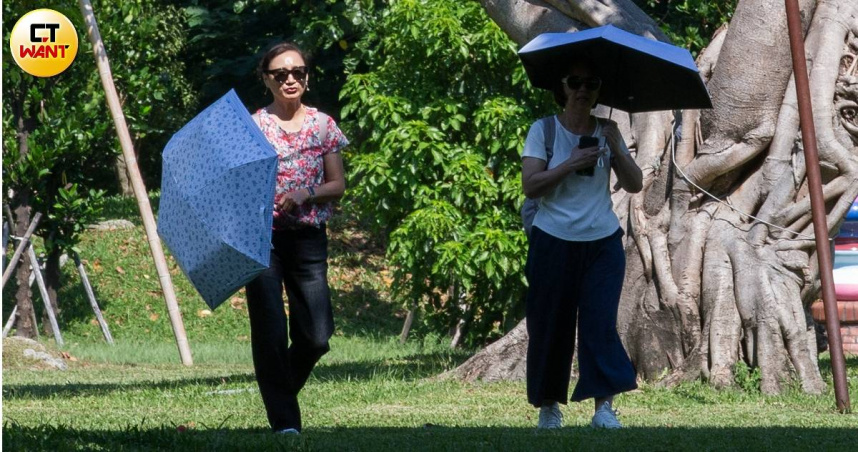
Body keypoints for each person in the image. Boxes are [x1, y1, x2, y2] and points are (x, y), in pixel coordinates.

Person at [520, 58, 642, 430]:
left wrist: (618, 147)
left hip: (601, 241)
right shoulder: (544, 131)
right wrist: (570, 164)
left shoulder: (608, 130)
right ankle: (549, 407)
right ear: (563, 88)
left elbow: (635, 184)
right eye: (575, 83)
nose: (583, 90)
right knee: (549, 325)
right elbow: (531, 185)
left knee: (600, 324)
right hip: (553, 239)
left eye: (591, 83)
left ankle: (604, 408)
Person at [245, 42, 348, 434]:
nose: (291, 79)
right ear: (266, 79)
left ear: (306, 76)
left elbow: (337, 184)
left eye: (298, 72)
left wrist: (306, 193)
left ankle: (278, 390)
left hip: (307, 238)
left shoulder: (323, 125)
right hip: (262, 239)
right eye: (281, 74)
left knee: (317, 335)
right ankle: (285, 423)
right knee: (271, 329)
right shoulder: (254, 127)